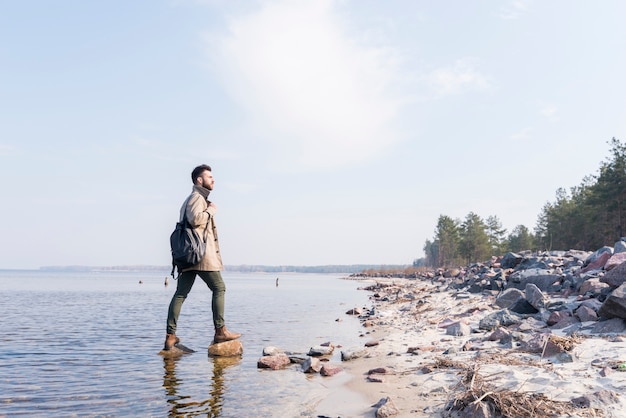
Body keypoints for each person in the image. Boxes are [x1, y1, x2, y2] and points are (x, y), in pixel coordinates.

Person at [164, 164, 241, 350]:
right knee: (219, 287)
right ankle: (220, 331)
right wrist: (211, 210)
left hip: (189, 256)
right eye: (209, 177)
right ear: (200, 180)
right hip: (200, 255)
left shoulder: (191, 199)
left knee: (181, 294)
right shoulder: (197, 198)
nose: (213, 180)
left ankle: (170, 336)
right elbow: (195, 219)